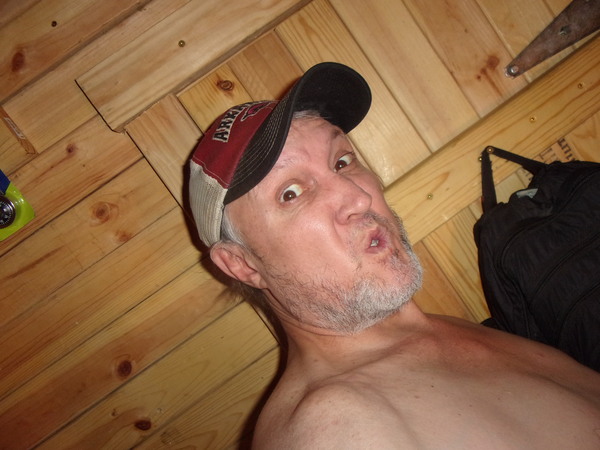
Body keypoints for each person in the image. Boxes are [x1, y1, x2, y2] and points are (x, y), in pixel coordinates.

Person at [188, 63, 600, 449]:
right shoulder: (331, 428)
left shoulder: (433, 333)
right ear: (242, 264)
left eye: (342, 161)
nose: (358, 196)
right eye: (291, 193)